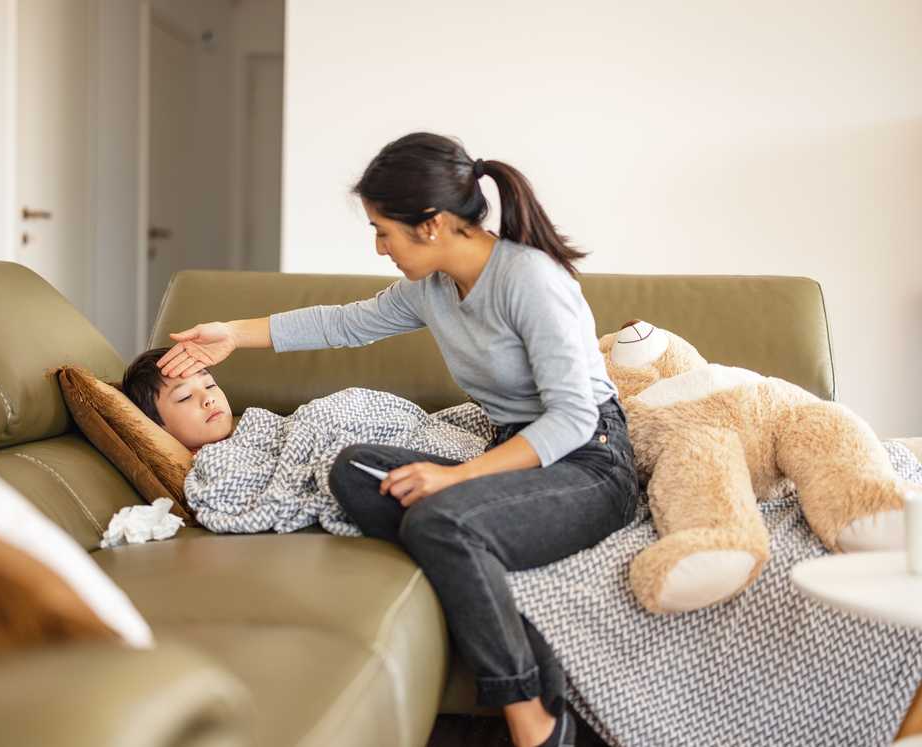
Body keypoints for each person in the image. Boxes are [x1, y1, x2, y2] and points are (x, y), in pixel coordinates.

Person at [155, 132, 639, 747]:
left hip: (587, 464)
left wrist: (458, 478)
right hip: (516, 457)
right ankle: (470, 547)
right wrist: (232, 332)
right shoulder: (433, 289)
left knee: (439, 521)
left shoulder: (531, 282)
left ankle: (537, 724)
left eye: (384, 230)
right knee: (353, 470)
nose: (378, 246)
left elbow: (572, 419)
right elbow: (343, 322)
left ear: (431, 225)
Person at [121, 347, 235, 455]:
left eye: (210, 385)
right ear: (156, 427)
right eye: (185, 397)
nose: (209, 398)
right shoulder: (212, 463)